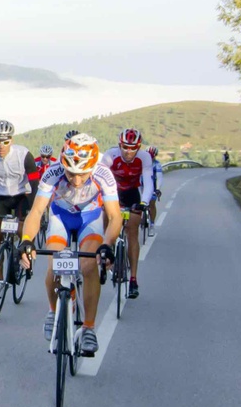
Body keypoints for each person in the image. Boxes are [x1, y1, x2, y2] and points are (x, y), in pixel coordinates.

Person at [21, 132, 123, 356]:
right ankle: (53, 310)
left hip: (90, 218)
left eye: (82, 174)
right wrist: (26, 240)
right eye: (71, 173)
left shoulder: (104, 174)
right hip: (61, 217)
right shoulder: (52, 172)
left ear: (92, 166)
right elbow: (36, 212)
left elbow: (115, 216)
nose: (76, 180)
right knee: (54, 265)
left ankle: (88, 328)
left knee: (88, 266)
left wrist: (107, 243)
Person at [0, 119, 37, 277]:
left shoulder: (24, 155)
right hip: (0, 197)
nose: (1, 146)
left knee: (22, 229)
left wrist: (34, 208)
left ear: (12, 140)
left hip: (21, 195)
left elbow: (34, 181)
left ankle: (26, 256)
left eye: (5, 142)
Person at [100, 128, 154, 299]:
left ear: (139, 147)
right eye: (125, 147)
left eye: (132, 148)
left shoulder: (144, 157)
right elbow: (99, 179)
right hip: (113, 193)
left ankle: (133, 279)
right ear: (119, 145)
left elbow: (148, 182)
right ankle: (108, 249)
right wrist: (99, 199)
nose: (128, 151)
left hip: (132, 194)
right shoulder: (110, 155)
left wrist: (144, 203)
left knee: (132, 233)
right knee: (106, 219)